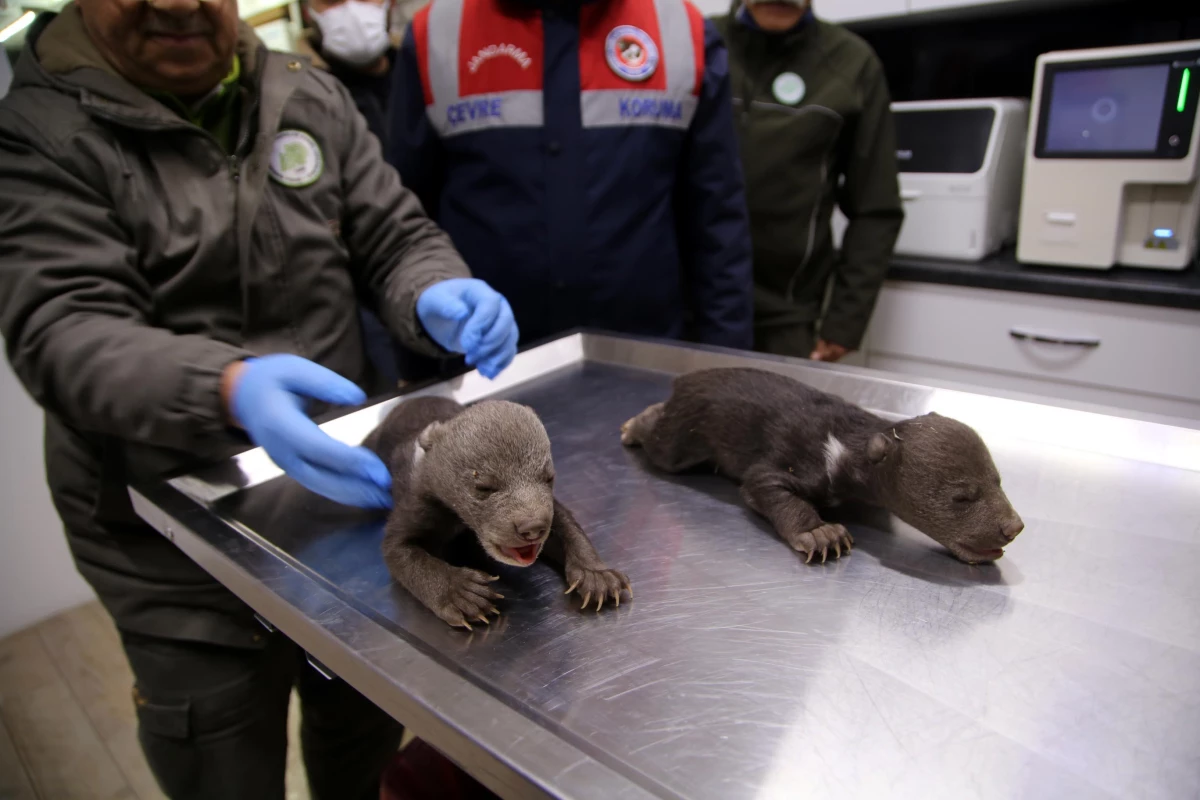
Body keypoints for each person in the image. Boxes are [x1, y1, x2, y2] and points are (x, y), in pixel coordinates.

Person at [0, 0, 518, 796]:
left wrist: (436, 291)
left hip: (339, 506)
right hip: (169, 548)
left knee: (363, 731)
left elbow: (392, 236)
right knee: (222, 758)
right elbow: (62, 328)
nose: (176, 5)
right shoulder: (37, 130)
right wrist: (225, 388)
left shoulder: (304, 94)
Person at [388, 0, 755, 351]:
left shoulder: (683, 30)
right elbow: (405, 218)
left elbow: (717, 220)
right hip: (481, 363)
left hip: (642, 358)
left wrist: (726, 363)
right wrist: (414, 358)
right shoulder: (435, 31)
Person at [715, 0, 903, 361]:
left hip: (788, 319)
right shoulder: (699, 45)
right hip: (687, 308)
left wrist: (845, 322)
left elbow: (876, 208)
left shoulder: (851, 63)